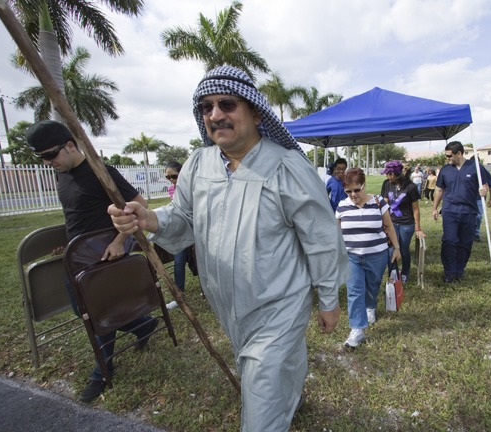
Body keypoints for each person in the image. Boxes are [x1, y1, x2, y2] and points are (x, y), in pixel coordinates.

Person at [107, 65, 349, 431]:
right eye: (206, 107)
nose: (215, 115)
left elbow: (321, 240)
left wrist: (328, 299)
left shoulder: (287, 166)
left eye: (227, 104)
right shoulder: (198, 164)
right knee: (267, 369)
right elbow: (183, 219)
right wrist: (148, 220)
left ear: (254, 111)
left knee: (261, 394)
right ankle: (291, 398)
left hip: (278, 305)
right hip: (227, 304)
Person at [26, 120, 157, 403]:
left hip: (105, 258)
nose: (49, 163)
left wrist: (119, 242)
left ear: (70, 145)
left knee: (95, 314)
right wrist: (67, 241)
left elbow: (141, 207)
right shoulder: (61, 175)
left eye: (51, 155)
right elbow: (76, 215)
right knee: (83, 311)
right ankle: (142, 325)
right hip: (76, 257)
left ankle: (102, 371)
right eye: (42, 158)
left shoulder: (101, 172)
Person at [336, 168, 401, 348]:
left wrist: (396, 248)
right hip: (352, 257)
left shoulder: (379, 202)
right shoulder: (342, 206)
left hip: (377, 255)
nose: (353, 194)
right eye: (348, 191)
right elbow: (336, 232)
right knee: (355, 291)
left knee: (372, 285)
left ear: (363, 185)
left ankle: (370, 306)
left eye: (357, 190)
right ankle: (357, 330)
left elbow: (388, 226)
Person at [432, 141, 491, 283]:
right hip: (449, 211)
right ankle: (449, 272)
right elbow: (440, 190)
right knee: (449, 240)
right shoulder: (446, 170)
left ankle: (459, 270)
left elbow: (485, 185)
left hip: (469, 211)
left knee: (465, 243)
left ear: (459, 153)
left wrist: (484, 190)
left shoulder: (476, 168)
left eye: (449, 156)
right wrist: (434, 208)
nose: (447, 159)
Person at [380, 161, 425, 283]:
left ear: (396, 174)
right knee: (391, 249)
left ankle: (405, 273)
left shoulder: (411, 187)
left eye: (389, 174)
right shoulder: (386, 184)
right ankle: (393, 274)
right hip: (391, 223)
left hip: (406, 224)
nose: (387, 177)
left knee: (404, 250)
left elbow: (415, 209)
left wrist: (418, 228)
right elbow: (384, 202)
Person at [163, 161, 188, 310]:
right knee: (178, 262)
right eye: (168, 177)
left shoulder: (191, 187)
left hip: (198, 229)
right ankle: (179, 296)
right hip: (181, 230)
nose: (171, 179)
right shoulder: (171, 190)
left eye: (174, 176)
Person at [470, 156, 491, 242]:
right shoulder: (467, 169)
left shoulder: (482, 170)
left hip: (479, 198)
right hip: (469, 198)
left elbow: (490, 184)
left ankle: (476, 233)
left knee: (479, 216)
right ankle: (470, 233)